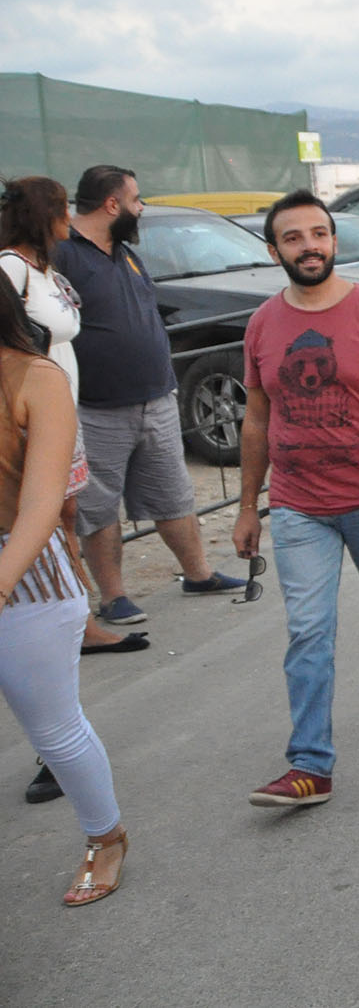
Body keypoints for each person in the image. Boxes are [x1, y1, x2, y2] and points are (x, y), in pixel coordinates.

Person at [234, 191, 359, 808]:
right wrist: (248, 505)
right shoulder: (264, 323)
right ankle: (310, 767)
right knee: (308, 630)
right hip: (297, 504)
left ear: (334, 242)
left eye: (318, 234)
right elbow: (256, 420)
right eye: (293, 238)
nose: (309, 246)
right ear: (275, 251)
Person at [54, 166, 244, 627]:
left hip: (156, 398)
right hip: (97, 408)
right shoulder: (62, 254)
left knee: (174, 496)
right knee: (99, 508)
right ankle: (114, 597)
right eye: (136, 200)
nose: (142, 208)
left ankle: (198, 574)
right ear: (111, 205)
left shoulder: (125, 252)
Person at [0, 274, 129, 905]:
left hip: (26, 577)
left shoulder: (35, 377)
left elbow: (42, 501)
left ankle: (105, 839)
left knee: (51, 728)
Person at [0, 179, 139, 656]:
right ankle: (64, 616)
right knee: (46, 512)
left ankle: (72, 612)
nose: (70, 216)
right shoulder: (10, 268)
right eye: (61, 208)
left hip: (62, 407)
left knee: (67, 511)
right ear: (44, 214)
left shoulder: (44, 267)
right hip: (29, 414)